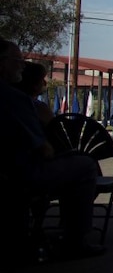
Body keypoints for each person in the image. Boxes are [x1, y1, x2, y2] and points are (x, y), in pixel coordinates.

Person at [0, 38, 103, 259]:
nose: (21, 64)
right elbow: (44, 149)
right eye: (18, 60)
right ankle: (75, 239)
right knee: (84, 165)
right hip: (20, 172)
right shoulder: (17, 101)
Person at [14, 61, 54, 128]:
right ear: (35, 83)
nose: (45, 83)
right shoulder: (39, 108)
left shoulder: (8, 102)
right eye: (42, 79)